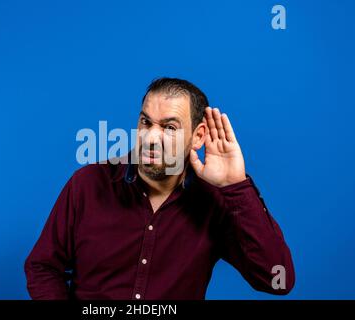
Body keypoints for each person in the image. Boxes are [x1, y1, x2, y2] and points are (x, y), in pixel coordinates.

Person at [24, 77, 295, 299]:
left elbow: (277, 279)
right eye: (146, 122)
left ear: (198, 136)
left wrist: (236, 186)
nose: (151, 137)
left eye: (169, 127)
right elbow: (43, 266)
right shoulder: (88, 183)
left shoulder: (215, 201)